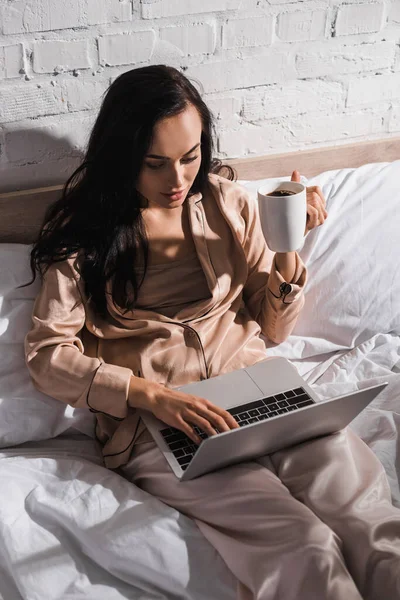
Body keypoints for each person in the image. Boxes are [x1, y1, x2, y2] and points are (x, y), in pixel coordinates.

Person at [25, 65, 400, 600]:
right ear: (122, 154)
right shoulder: (81, 239)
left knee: (375, 530)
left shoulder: (228, 204)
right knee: (304, 546)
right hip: (163, 426)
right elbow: (46, 355)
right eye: (154, 164)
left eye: (189, 157)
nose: (176, 180)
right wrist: (148, 395)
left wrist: (288, 239)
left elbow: (271, 327)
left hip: (265, 394)